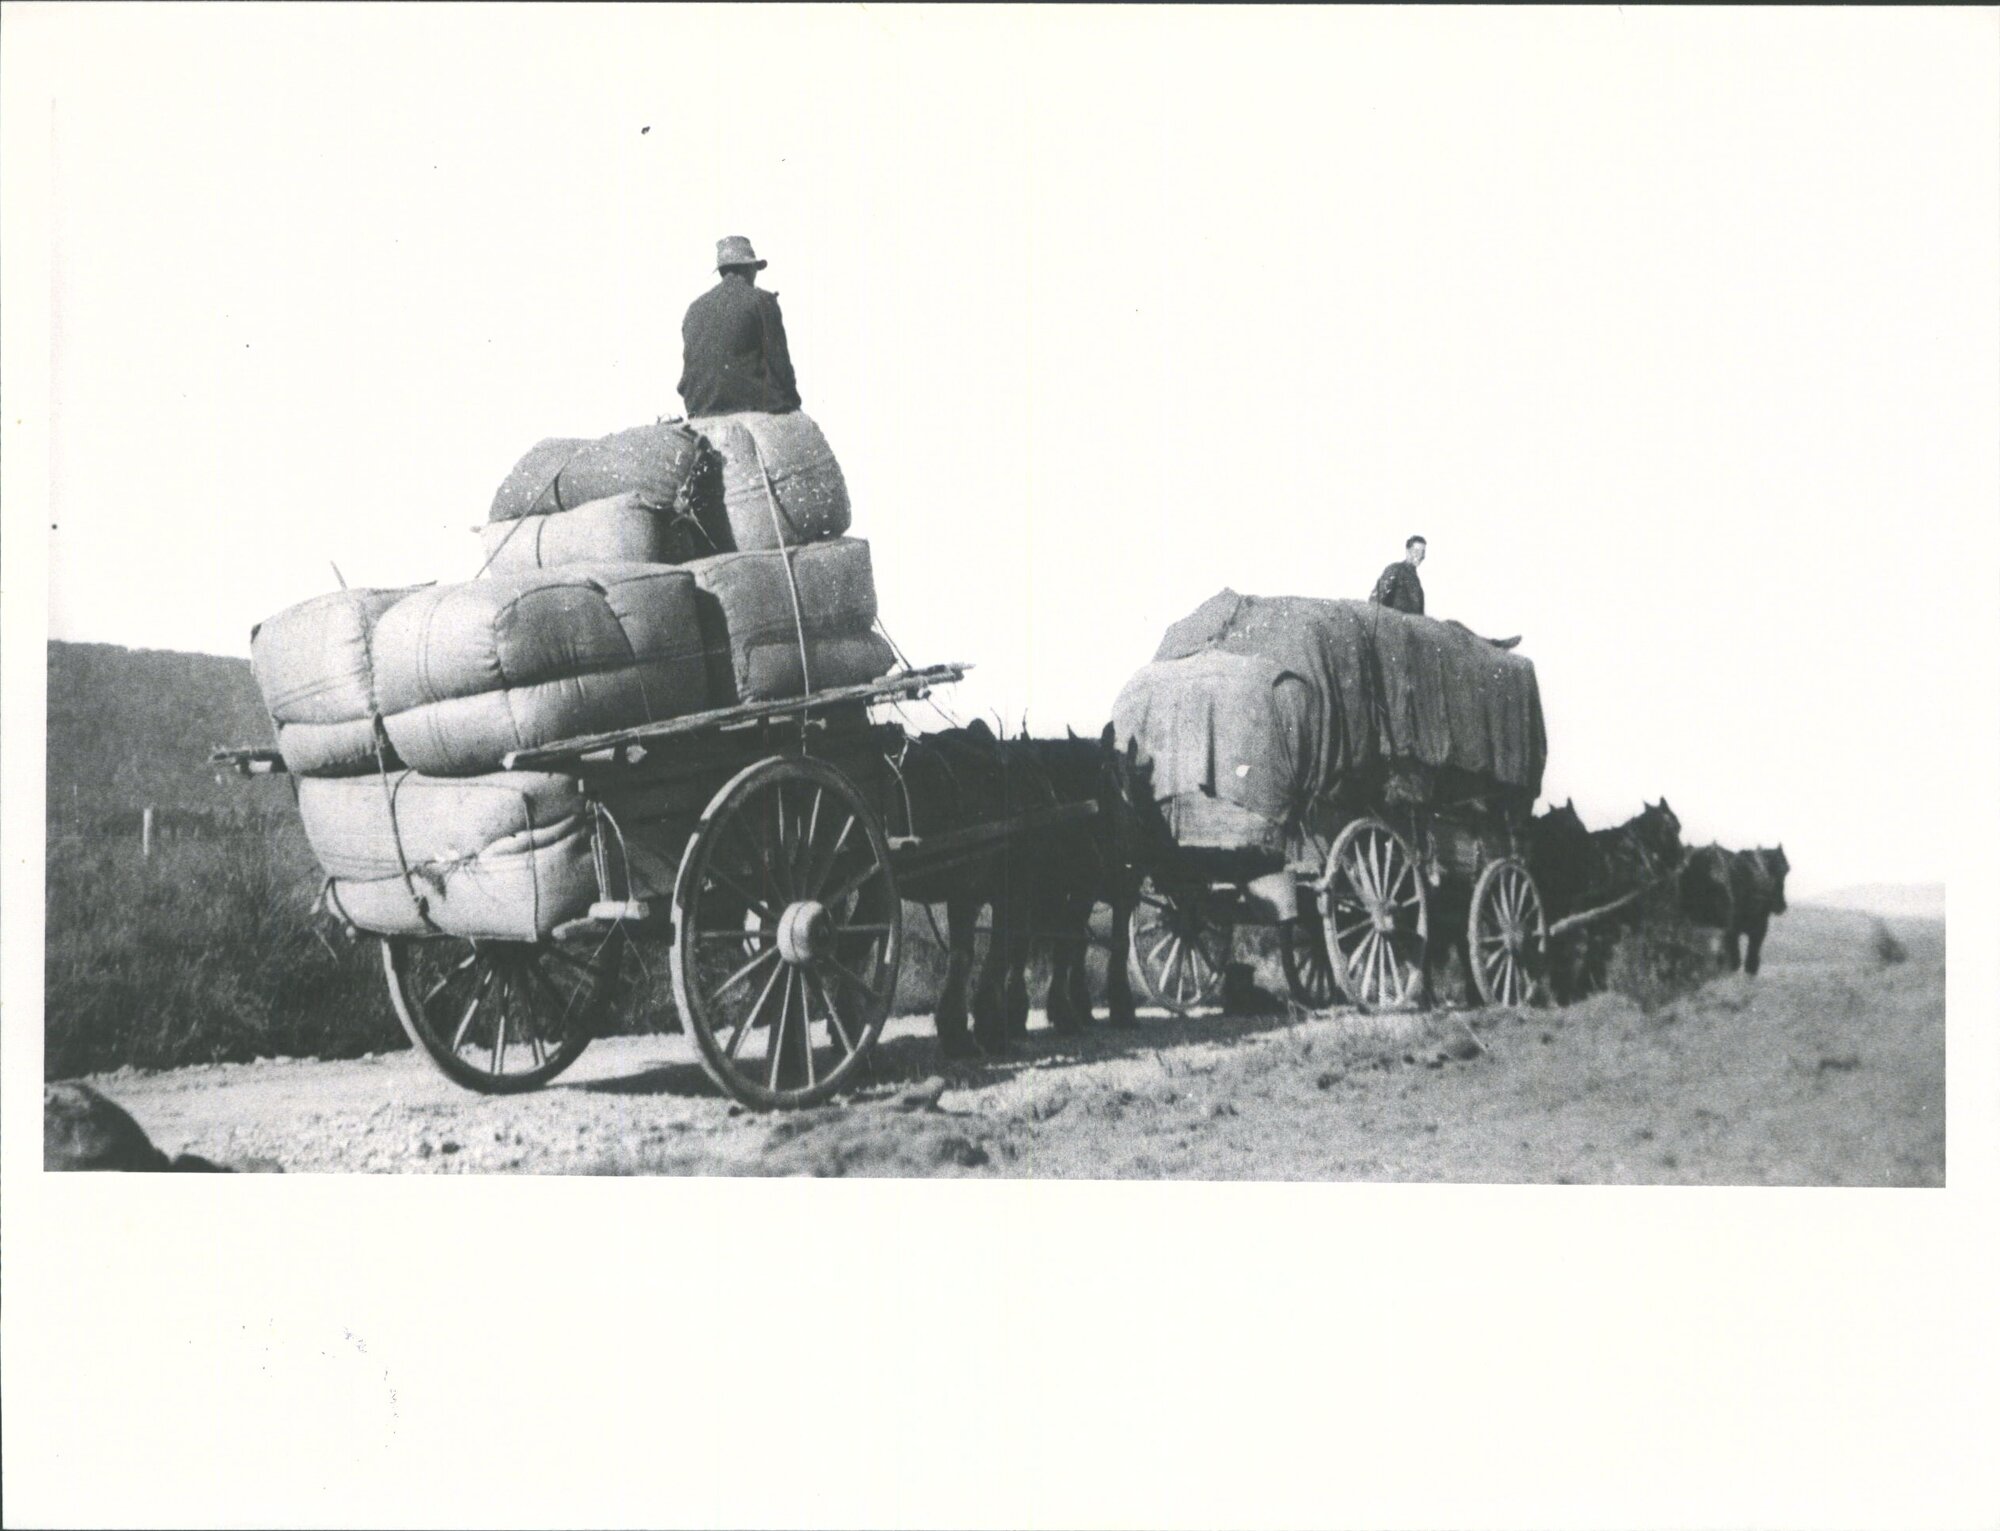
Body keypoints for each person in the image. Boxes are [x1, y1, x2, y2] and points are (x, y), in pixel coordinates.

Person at [677, 235, 803, 416]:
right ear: (749, 268)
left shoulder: (694, 308)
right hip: (747, 403)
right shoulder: (762, 300)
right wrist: (794, 404)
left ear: (721, 271)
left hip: (698, 408)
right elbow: (780, 367)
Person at [1370, 535, 1427, 615]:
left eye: (1423, 552)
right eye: (1416, 551)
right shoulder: (1395, 570)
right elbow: (1375, 601)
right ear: (1407, 551)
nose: (1420, 555)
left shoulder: (1415, 580)